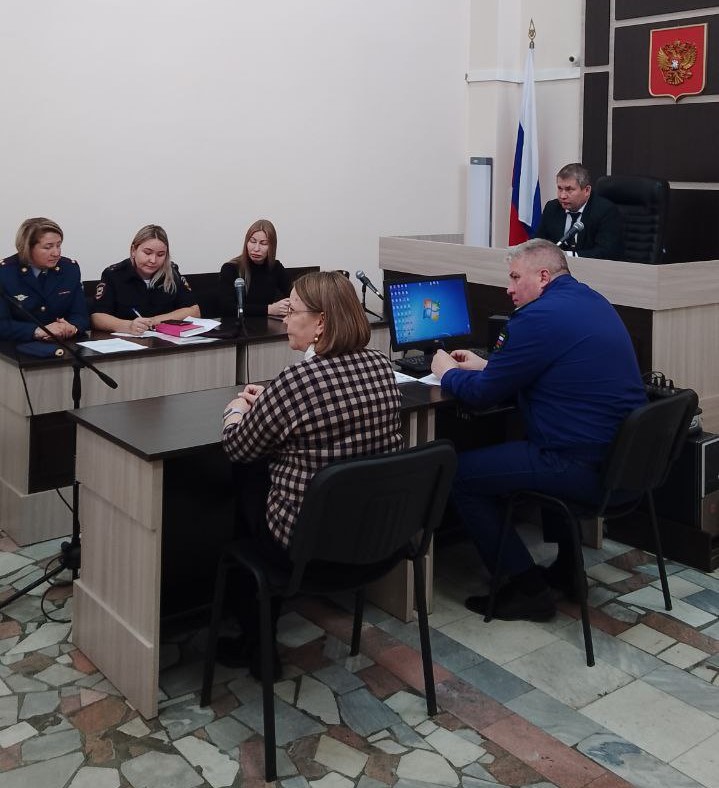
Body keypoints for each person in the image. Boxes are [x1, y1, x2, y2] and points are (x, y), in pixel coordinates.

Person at [431, 239, 646, 622]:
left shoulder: (536, 318)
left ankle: (526, 588)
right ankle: (567, 572)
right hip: (624, 465)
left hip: (580, 465)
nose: (508, 288)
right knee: (524, 444)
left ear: (543, 276)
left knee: (458, 475)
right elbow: (555, 366)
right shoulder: (592, 300)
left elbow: (481, 397)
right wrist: (490, 367)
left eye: (515, 277)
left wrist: (446, 373)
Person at [219, 270, 403, 678]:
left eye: (294, 311)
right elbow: (327, 407)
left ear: (321, 322)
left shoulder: (298, 380)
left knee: (246, 481)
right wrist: (274, 402)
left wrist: (236, 411)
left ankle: (257, 644)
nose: (285, 319)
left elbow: (238, 447)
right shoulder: (380, 365)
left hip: (308, 546)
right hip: (376, 537)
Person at [91, 224, 200, 335]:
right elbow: (97, 317)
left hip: (165, 340)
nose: (153, 260)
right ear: (133, 250)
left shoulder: (171, 273)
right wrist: (128, 326)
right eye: (147, 253)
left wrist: (154, 321)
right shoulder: (114, 274)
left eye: (160, 255)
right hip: (126, 340)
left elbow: (194, 311)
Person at [0, 218, 89, 342]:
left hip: (65, 344)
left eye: (58, 245)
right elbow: (2, 324)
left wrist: (71, 328)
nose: (56, 253)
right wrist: (38, 331)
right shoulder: (5, 273)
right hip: (18, 346)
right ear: (27, 247)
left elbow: (81, 315)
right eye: (48, 247)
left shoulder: (69, 269)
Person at [534, 163, 624, 260]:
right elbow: (539, 243)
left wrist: (567, 256)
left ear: (587, 190)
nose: (562, 196)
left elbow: (606, 252)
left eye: (569, 190)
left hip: (591, 267)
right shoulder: (552, 207)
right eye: (560, 189)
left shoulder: (605, 211)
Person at [218, 219, 291, 319]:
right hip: (237, 324)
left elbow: (293, 293)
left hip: (267, 324)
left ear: (272, 246)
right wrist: (269, 309)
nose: (256, 248)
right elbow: (227, 308)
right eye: (252, 241)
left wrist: (288, 305)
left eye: (263, 243)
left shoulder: (275, 267)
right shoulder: (230, 268)